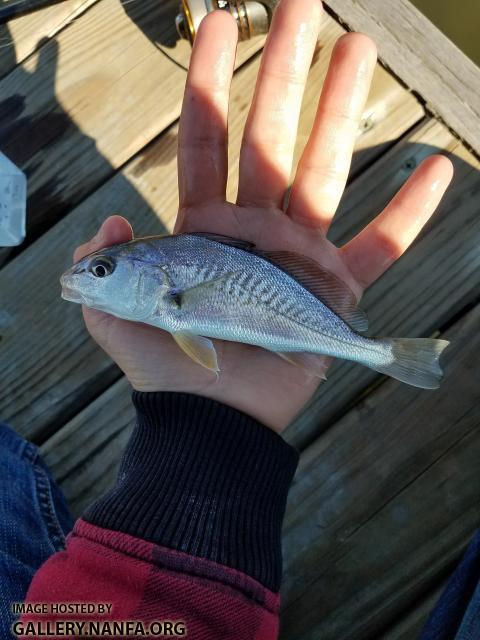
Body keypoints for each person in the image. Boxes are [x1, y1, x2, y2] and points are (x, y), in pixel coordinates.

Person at [2, 0, 476, 638]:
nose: (88, 278)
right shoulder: (166, 301)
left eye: (105, 272)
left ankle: (387, 354)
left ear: (153, 281)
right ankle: (386, 355)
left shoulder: (169, 299)